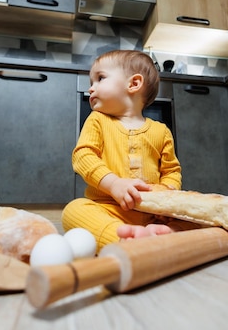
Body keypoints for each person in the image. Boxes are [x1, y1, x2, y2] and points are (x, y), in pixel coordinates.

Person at [61, 50, 198, 251]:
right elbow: (83, 156)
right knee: (73, 211)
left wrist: (164, 197)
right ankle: (124, 239)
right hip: (110, 209)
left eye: (100, 79)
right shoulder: (97, 120)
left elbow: (171, 172)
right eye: (92, 82)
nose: (91, 88)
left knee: (197, 210)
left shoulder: (161, 131)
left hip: (155, 216)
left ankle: (167, 232)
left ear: (133, 84)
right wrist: (114, 184)